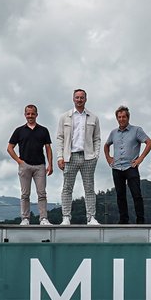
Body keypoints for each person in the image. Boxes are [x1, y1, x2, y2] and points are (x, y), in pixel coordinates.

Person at [55, 89, 101, 225]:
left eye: (82, 97)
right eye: (77, 97)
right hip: (70, 157)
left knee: (89, 188)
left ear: (86, 99)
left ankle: (91, 217)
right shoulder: (65, 117)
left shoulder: (93, 117)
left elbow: (97, 138)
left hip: (88, 157)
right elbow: (60, 138)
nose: (79, 100)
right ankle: (66, 217)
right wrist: (60, 157)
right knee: (67, 188)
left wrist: (95, 156)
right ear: (73, 99)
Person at [103, 105, 151, 224]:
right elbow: (106, 145)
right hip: (116, 167)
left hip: (131, 167)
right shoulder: (113, 132)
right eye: (119, 117)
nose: (121, 119)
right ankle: (123, 220)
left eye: (124, 117)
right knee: (120, 196)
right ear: (117, 118)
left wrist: (140, 159)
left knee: (136, 194)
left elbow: (149, 143)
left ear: (128, 117)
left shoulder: (136, 130)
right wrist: (108, 158)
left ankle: (140, 220)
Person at [7, 104, 54, 225]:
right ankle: (25, 218)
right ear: (25, 115)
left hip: (40, 166)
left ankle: (43, 218)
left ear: (36, 115)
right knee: (25, 194)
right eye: (28, 114)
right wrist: (19, 161)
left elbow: (48, 148)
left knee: (42, 193)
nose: (30, 116)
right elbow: (10, 148)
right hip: (25, 165)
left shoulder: (43, 130)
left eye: (33, 113)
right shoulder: (19, 131)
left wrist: (50, 164)